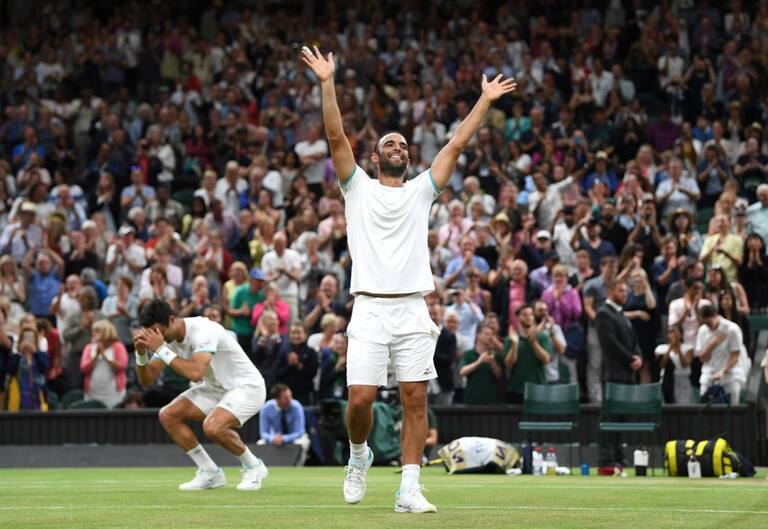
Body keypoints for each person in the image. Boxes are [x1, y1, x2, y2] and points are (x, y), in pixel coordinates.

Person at [302, 44, 515, 512]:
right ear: (375, 158)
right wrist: (327, 82)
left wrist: (484, 100)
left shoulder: (422, 191)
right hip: (369, 308)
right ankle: (358, 456)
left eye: (402, 145)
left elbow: (455, 144)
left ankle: (409, 489)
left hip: (412, 308)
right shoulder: (356, 187)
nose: (397, 148)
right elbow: (336, 136)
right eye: (389, 145)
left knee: (416, 399)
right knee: (360, 400)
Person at [133, 300, 269, 491]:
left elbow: (195, 373)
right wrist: (141, 354)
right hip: (215, 388)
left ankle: (254, 466)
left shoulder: (204, 330)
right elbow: (147, 380)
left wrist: (161, 348)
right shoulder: (166, 339)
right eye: (152, 333)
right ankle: (210, 472)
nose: (157, 337)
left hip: (247, 387)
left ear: (171, 320)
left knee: (213, 427)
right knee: (168, 415)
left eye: (158, 331)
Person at [695, 304, 744, 406]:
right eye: (705, 323)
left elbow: (735, 355)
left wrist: (722, 371)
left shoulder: (732, 329)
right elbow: (702, 358)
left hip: (730, 376)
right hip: (708, 376)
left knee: (732, 409)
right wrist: (713, 344)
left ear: (716, 315)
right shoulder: (702, 330)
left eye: (709, 322)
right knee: (706, 408)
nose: (708, 325)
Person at [504, 304, 552, 403]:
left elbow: (546, 359)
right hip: (516, 389)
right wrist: (514, 344)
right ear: (518, 317)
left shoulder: (542, 336)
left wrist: (533, 341)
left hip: (538, 388)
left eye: (531, 314)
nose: (528, 317)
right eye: (524, 315)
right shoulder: (510, 338)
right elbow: (508, 364)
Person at [258, 384, 311, 466]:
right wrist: (273, 439)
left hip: (294, 438)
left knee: (302, 443)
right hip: (276, 438)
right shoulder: (266, 408)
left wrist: (284, 439)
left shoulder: (297, 406)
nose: (290, 400)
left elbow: (299, 432)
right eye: (286, 398)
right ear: (277, 399)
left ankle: (298, 468)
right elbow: (263, 433)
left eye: (290, 396)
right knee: (260, 444)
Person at [80, 319, 128, 408]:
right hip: (93, 392)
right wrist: (95, 356)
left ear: (106, 332)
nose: (93, 333)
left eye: (97, 331)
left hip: (113, 393)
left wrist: (105, 357)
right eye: (93, 331)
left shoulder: (118, 346)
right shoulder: (89, 347)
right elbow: (83, 369)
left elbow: (122, 367)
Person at [458, 324, 504, 405]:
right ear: (478, 335)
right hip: (471, 399)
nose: (490, 337)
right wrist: (479, 362)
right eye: (486, 334)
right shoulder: (468, 354)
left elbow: (499, 375)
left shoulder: (495, 355)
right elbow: (462, 372)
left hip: (490, 401)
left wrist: (492, 362)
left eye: (491, 334)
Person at [275, 322, 319, 405]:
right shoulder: (284, 351)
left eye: (298, 333)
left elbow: (313, 373)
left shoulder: (311, 352)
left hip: (304, 394)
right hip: (286, 394)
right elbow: (277, 372)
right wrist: (290, 365)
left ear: (305, 335)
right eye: (293, 333)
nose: (295, 336)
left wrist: (299, 365)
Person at [656, 326, 694, 404]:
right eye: (670, 332)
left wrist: (678, 348)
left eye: (674, 332)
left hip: (683, 380)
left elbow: (685, 364)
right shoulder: (661, 348)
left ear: (681, 334)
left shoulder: (688, 348)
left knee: (683, 404)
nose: (672, 334)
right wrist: (670, 347)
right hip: (667, 381)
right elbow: (662, 365)